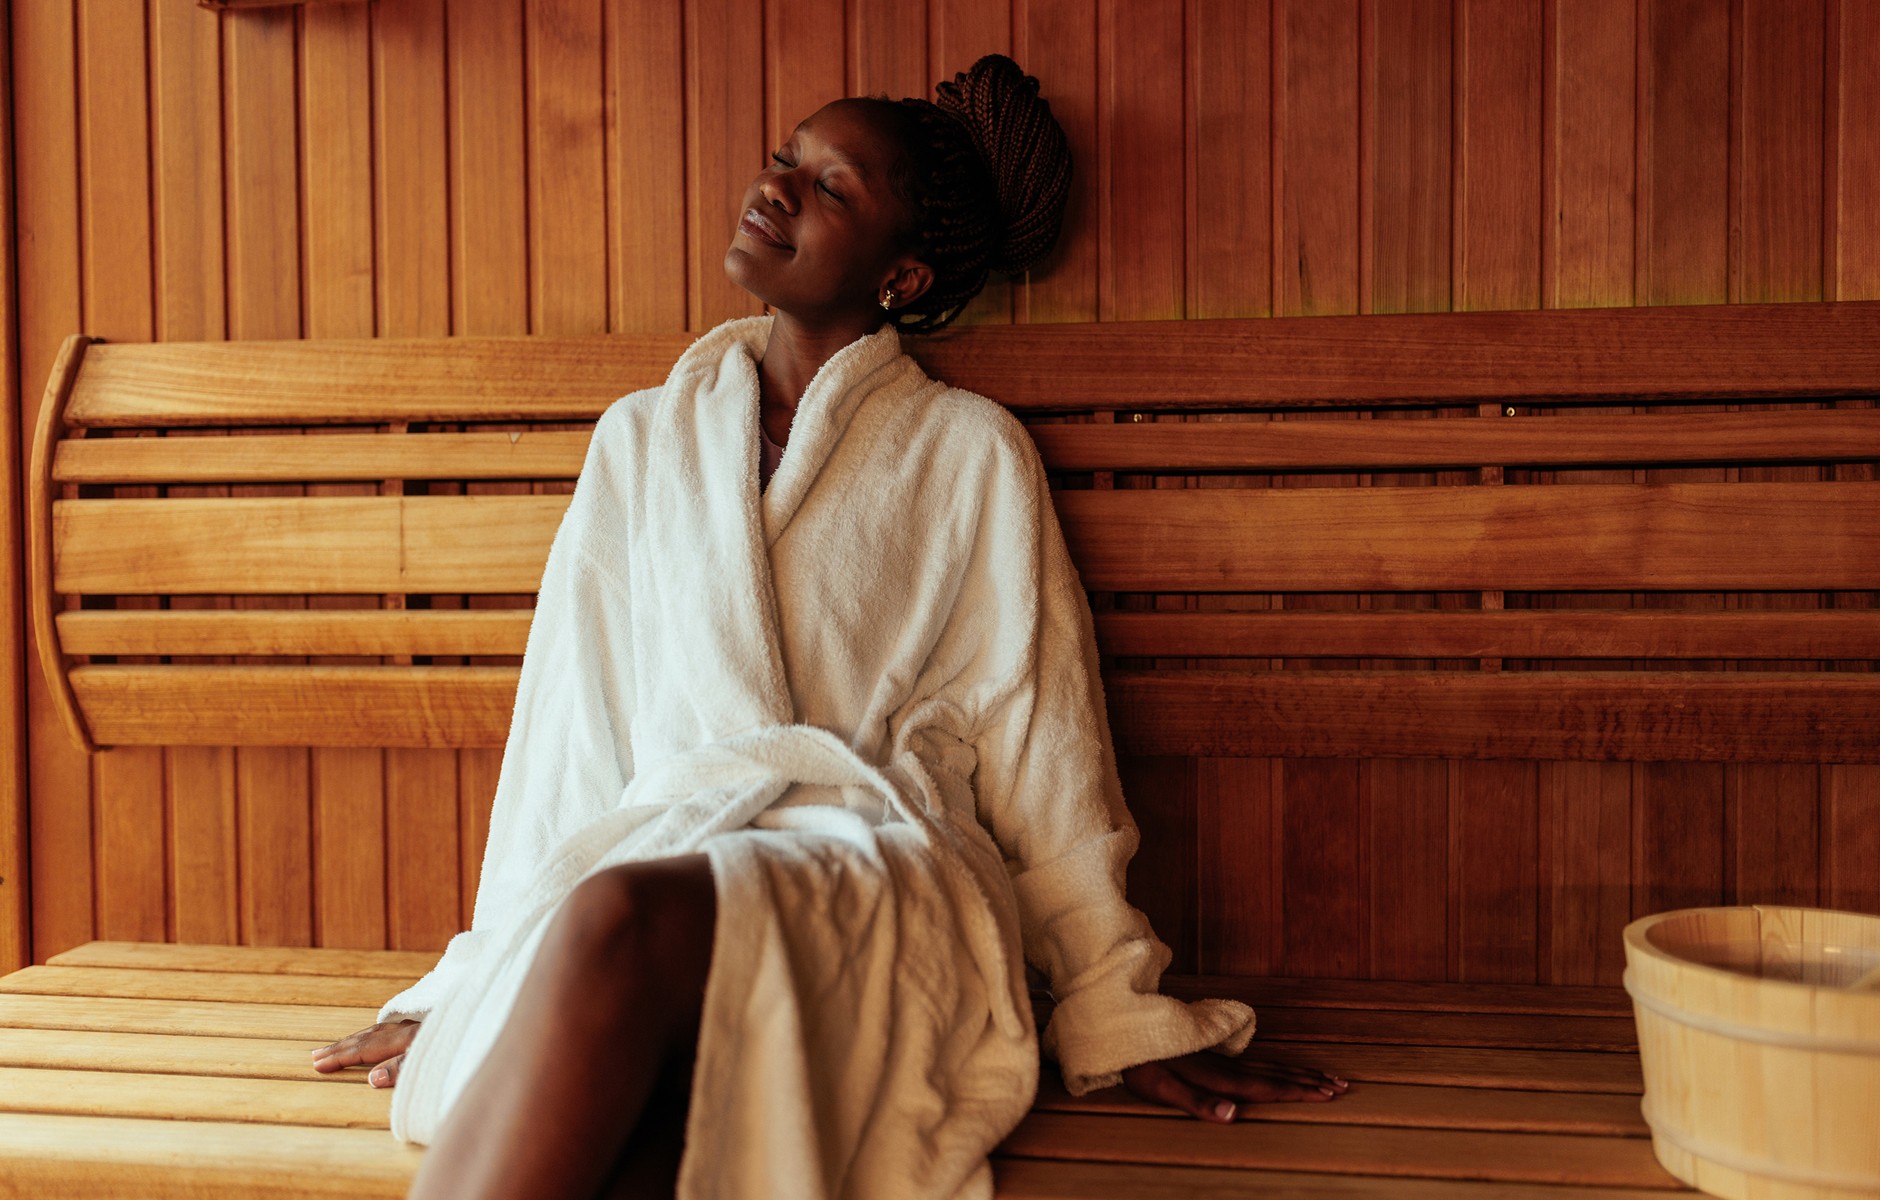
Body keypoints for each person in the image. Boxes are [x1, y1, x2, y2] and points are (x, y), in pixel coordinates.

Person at [310, 54, 1346, 1200]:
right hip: (678, 869)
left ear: (902, 275)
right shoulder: (643, 440)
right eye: (785, 159)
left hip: (876, 874)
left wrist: (1112, 1003)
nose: (779, 187)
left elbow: (1043, 748)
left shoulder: (969, 453)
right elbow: (569, 736)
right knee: (650, 1135)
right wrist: (478, 976)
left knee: (616, 921)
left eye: (831, 187)